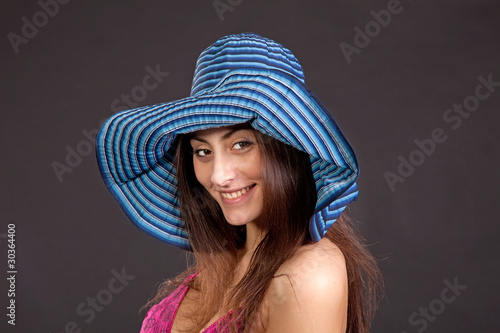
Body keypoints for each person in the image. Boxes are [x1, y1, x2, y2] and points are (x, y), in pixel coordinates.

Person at [96, 32, 384, 333]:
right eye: (203, 151)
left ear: (288, 150)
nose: (219, 176)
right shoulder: (219, 265)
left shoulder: (310, 273)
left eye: (241, 144)